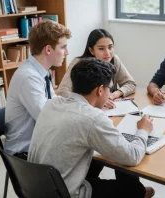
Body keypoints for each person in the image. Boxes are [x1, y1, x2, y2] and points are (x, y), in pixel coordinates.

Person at [28, 58, 155, 198]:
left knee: (99, 159)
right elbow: (132, 156)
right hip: (66, 193)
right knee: (134, 188)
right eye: (110, 88)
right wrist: (144, 130)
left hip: (36, 187)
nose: (110, 93)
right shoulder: (92, 118)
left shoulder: (52, 103)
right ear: (100, 90)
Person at [4, 21, 71, 159]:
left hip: (39, 143)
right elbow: (47, 119)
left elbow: (54, 103)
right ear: (48, 49)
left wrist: (79, 106)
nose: (67, 52)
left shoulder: (40, 71)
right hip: (24, 154)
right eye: (63, 47)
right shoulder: (28, 77)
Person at [58, 29, 136, 109]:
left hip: (109, 109)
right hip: (83, 110)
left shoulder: (114, 60)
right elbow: (62, 92)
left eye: (110, 47)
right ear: (91, 50)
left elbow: (130, 83)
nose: (107, 53)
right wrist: (91, 101)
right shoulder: (78, 63)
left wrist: (114, 95)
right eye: (101, 48)